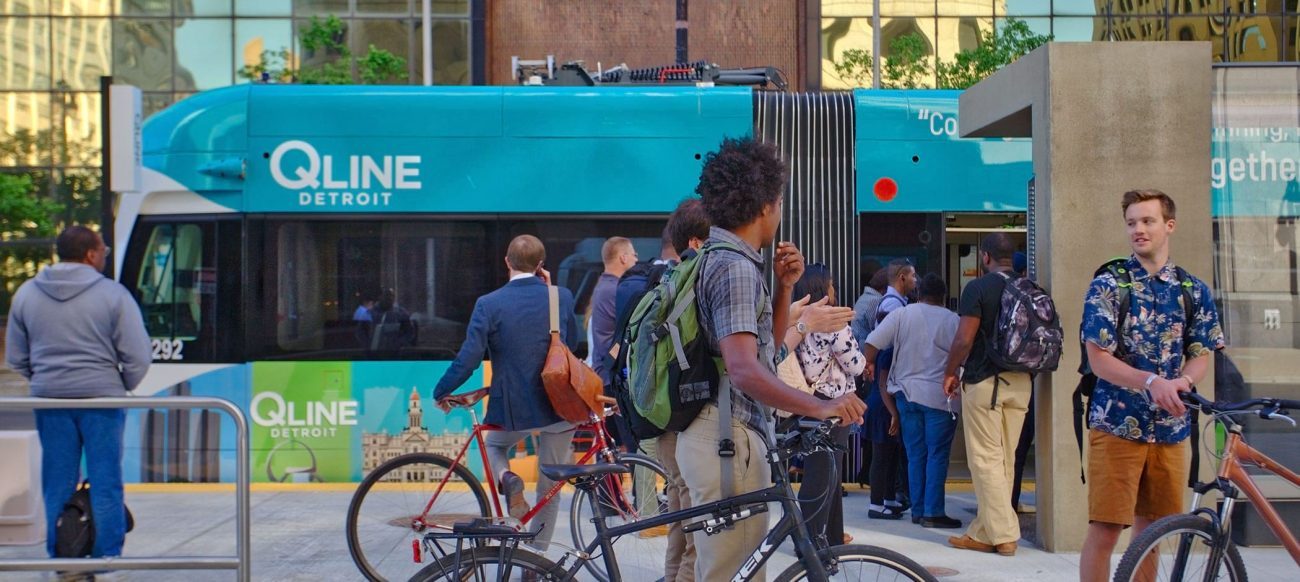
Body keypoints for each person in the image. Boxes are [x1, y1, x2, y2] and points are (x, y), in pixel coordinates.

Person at [679, 136, 865, 581]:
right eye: (779, 202)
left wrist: (784, 289)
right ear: (765, 206)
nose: (780, 212)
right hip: (729, 440)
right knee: (732, 572)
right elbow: (744, 370)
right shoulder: (735, 268)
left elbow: (764, 351)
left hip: (719, 435)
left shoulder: (721, 257)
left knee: (721, 570)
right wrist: (820, 406)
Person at [1078, 189, 1223, 582]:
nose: (1138, 230)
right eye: (1131, 223)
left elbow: (1202, 353)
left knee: (1154, 533)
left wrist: (1184, 381)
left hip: (1171, 430)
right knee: (1105, 530)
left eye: (1147, 221)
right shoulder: (1109, 285)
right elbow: (1099, 359)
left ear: (1169, 225)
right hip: (1116, 426)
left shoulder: (1193, 290)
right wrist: (1151, 381)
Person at [5, 226, 151, 566]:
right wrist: (119, 384)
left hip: (50, 400)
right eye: (104, 251)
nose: (104, 256)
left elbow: (16, 356)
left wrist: (45, 380)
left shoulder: (27, 294)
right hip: (102, 400)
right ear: (90, 254)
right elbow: (138, 355)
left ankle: (62, 558)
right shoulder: (113, 295)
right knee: (105, 481)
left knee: (57, 482)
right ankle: (107, 558)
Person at [432, 234, 581, 550]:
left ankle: (508, 479)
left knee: (495, 446)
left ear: (507, 262)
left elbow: (469, 359)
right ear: (541, 265)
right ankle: (535, 559)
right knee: (549, 487)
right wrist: (550, 291)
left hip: (514, 407)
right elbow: (572, 344)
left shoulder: (489, 304)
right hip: (559, 406)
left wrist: (442, 390)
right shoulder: (562, 297)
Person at [609, 199, 709, 579]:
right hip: (688, 414)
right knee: (694, 518)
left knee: (681, 510)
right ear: (697, 242)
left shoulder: (652, 282)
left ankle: (671, 576)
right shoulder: (693, 282)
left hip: (662, 411)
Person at [942, 233, 1031, 556]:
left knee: (985, 460)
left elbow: (964, 339)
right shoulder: (1029, 288)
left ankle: (1004, 536)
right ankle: (983, 530)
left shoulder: (978, 288)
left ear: (985, 257)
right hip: (1021, 382)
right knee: (1005, 459)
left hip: (985, 381)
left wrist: (950, 371)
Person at [864, 273, 962, 529]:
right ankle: (933, 512)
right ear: (943, 297)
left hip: (905, 395)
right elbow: (964, 352)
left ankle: (918, 510)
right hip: (940, 399)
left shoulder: (901, 314)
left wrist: (869, 363)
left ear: (918, 294)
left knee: (915, 454)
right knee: (937, 454)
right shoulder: (953, 320)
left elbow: (872, 342)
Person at [792, 264, 864, 546]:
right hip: (833, 402)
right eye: (831, 284)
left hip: (808, 399)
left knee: (823, 469)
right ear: (822, 288)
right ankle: (811, 540)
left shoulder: (797, 319)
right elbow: (855, 365)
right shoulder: (833, 322)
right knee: (825, 473)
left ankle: (831, 534)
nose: (834, 289)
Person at [863, 258, 916, 520]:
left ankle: (887, 498)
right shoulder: (893, 308)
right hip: (883, 396)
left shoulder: (894, 303)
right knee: (882, 452)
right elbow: (881, 352)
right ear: (902, 277)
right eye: (913, 276)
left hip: (885, 392)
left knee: (891, 450)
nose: (916, 281)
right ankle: (876, 504)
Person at [589, 236, 639, 449]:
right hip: (614, 380)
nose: (637, 260)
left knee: (614, 449)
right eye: (634, 255)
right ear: (623, 257)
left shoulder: (604, 286)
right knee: (631, 447)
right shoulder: (615, 289)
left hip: (606, 377)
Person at [1009, 251, 1036, 514]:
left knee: (997, 453)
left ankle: (1001, 507)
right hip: (1028, 382)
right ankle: (1011, 502)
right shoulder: (1034, 296)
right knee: (1018, 450)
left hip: (995, 382)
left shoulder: (1000, 294)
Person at [850, 269, 890, 345]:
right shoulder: (875, 300)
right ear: (886, 288)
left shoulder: (866, 296)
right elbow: (877, 329)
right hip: (863, 346)